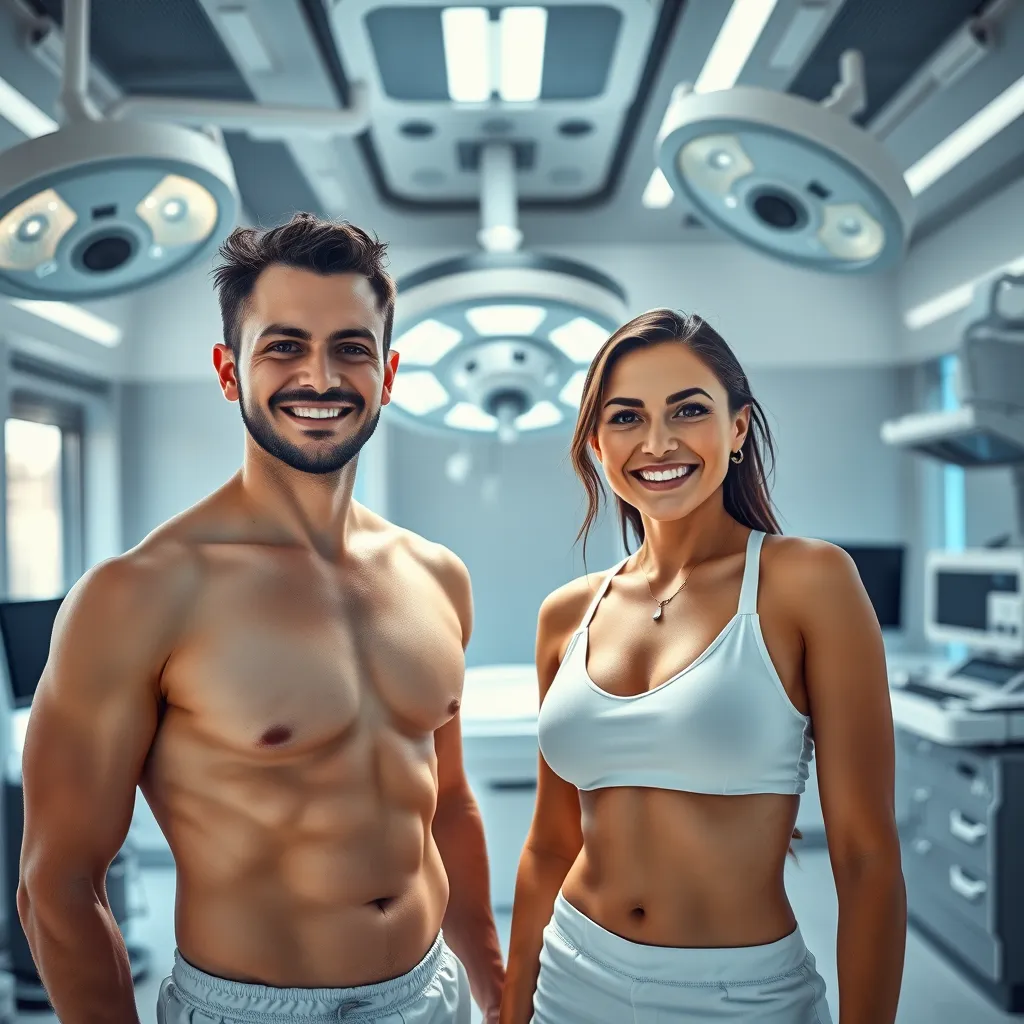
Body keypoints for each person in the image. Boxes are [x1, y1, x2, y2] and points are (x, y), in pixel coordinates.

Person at [17, 213, 505, 1024]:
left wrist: (493, 979)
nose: (320, 377)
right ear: (228, 370)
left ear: (388, 370)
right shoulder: (138, 595)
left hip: (434, 994)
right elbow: (57, 885)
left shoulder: (436, 576)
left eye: (351, 348)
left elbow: (446, 803)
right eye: (283, 346)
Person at [500, 309, 906, 1024]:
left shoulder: (809, 582)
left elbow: (866, 856)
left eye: (688, 410)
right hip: (569, 978)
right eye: (626, 418)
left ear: (739, 428)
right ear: (596, 443)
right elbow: (550, 844)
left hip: (737, 998)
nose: (658, 443)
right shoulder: (567, 614)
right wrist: (511, 1009)